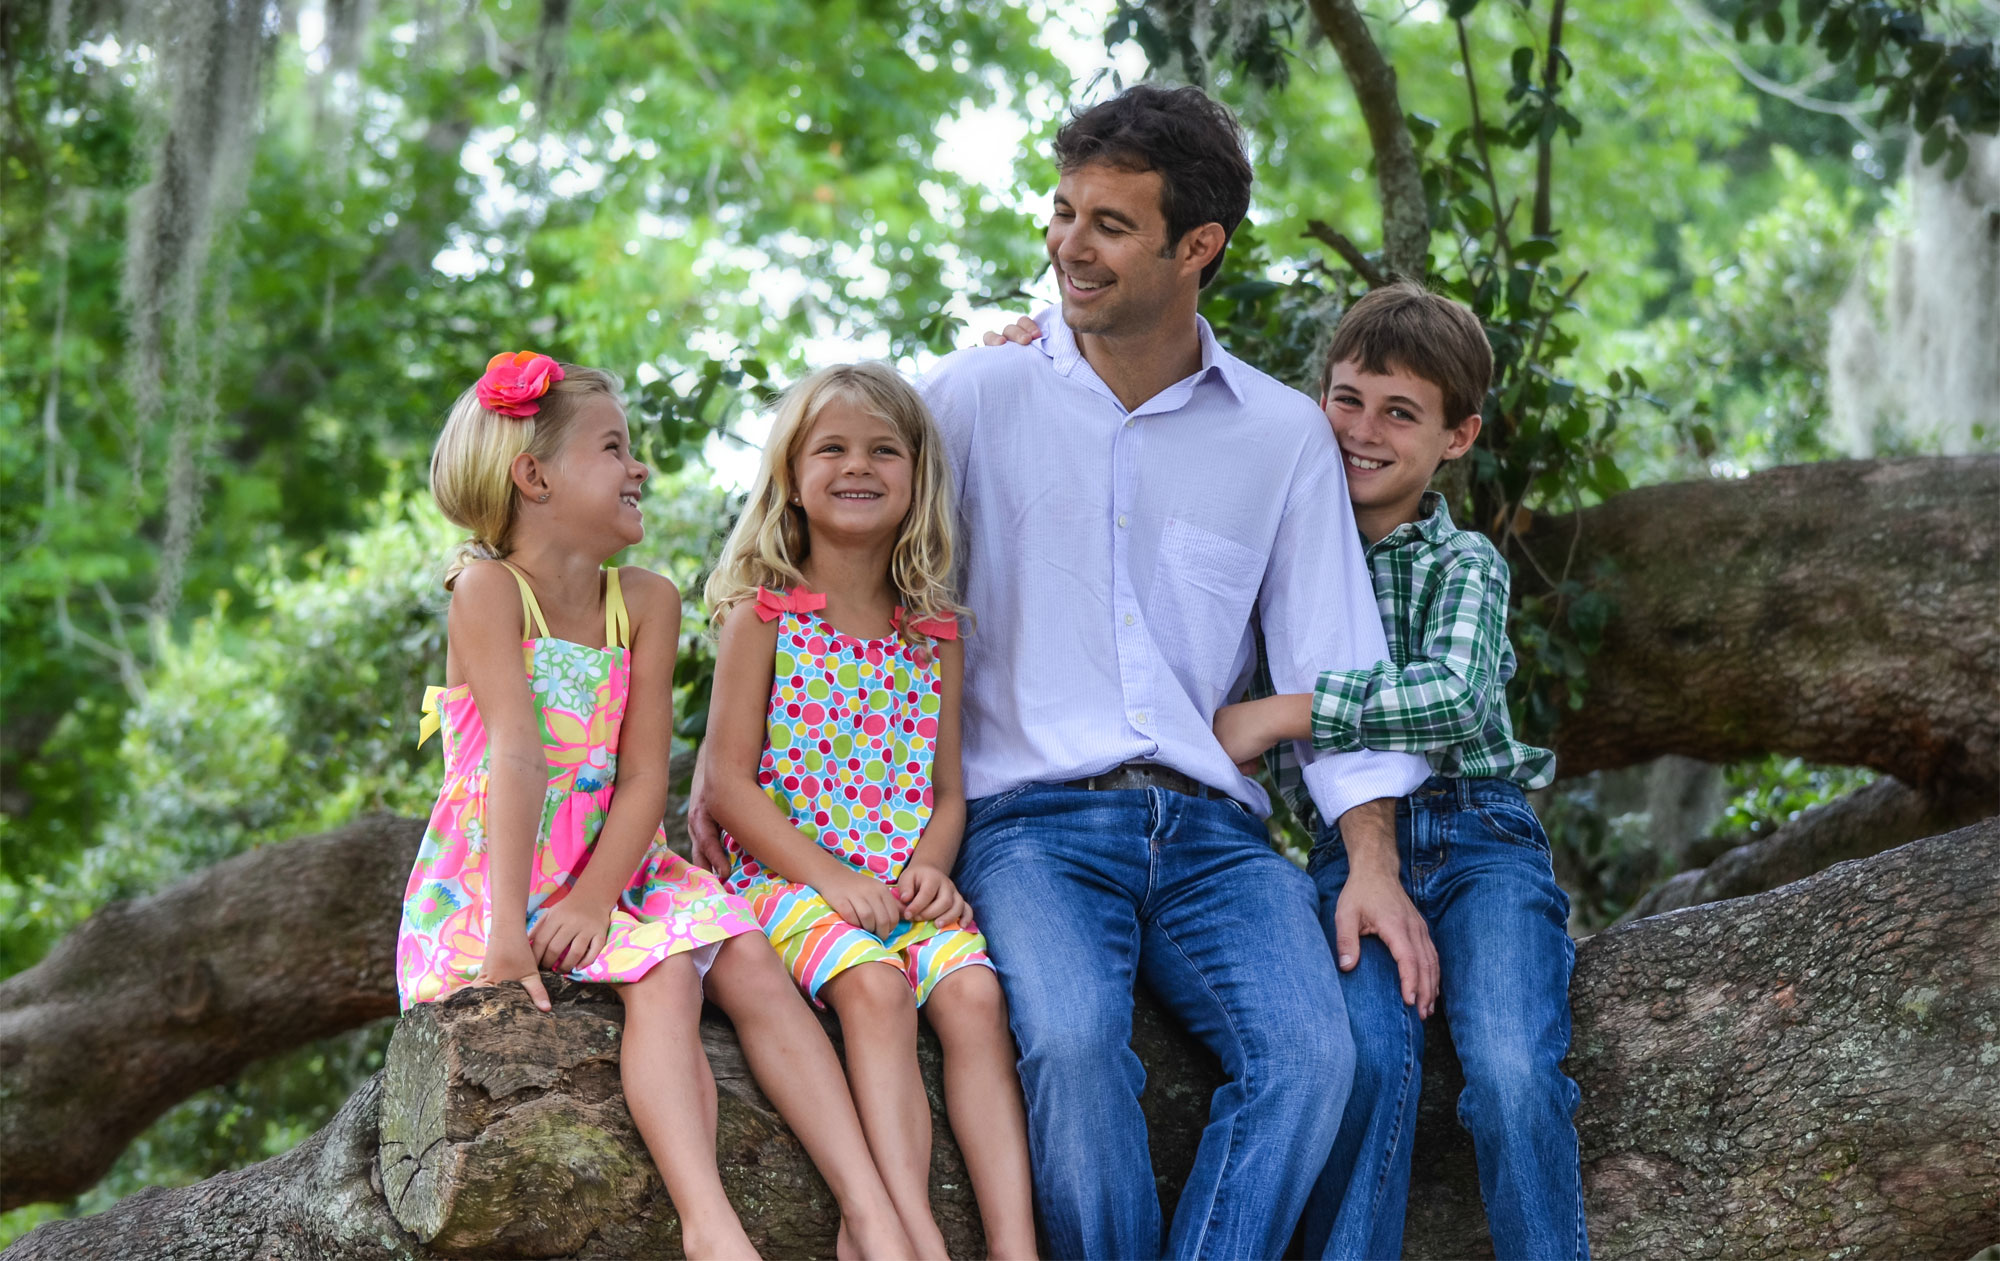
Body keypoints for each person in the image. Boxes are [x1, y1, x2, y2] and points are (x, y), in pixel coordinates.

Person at [690, 84, 1437, 1260]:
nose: (1065, 247)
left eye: (1105, 224)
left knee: (1314, 1055)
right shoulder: (975, 395)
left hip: (1214, 835)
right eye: (1060, 212)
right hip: (1027, 825)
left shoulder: (1280, 433)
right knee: (1077, 1041)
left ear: (1196, 247)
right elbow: (837, 530)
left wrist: (1372, 861)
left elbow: (1332, 653)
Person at [396, 351, 913, 1261]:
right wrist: (513, 936)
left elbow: (642, 779)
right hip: (500, 865)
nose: (638, 467)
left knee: (744, 955)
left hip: (616, 859)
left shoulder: (647, 600)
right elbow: (515, 756)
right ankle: (709, 1222)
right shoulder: (486, 590)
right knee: (670, 971)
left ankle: (869, 1208)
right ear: (535, 476)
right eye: (614, 448)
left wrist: (598, 896)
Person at [1211, 283, 1586, 1260]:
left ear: (1455, 437)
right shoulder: (1275, 554)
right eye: (1345, 398)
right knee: (1367, 1060)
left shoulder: (1460, 562)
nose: (1360, 430)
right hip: (1346, 856)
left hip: (1479, 840)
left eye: (1398, 412)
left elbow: (1455, 696)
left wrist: (1286, 710)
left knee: (1508, 1070)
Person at [701, 361, 1037, 1261]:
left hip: (902, 882)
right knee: (877, 986)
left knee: (974, 997)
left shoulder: (936, 630)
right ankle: (907, 1229)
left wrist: (931, 863)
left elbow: (947, 791)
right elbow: (730, 785)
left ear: (919, 476)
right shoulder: (764, 615)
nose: (860, 465)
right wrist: (836, 879)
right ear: (792, 476)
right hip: (793, 878)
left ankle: (1015, 1245)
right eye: (834, 448)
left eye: (885, 449)